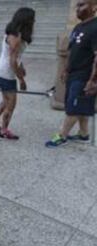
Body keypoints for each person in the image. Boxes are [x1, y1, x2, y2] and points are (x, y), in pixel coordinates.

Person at [46, 0, 97, 147]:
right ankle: (83, 133)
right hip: (73, 73)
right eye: (77, 5)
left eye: (82, 5)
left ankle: (62, 135)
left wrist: (93, 80)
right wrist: (66, 70)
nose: (77, 8)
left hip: (84, 75)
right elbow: (71, 51)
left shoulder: (95, 27)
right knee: (80, 104)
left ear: (94, 7)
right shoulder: (78, 27)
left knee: (73, 107)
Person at [0, 8, 34, 140]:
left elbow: (16, 58)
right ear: (26, 20)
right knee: (11, 104)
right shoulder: (16, 37)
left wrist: (22, 67)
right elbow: (12, 61)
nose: (34, 22)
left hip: (2, 71)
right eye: (32, 19)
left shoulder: (14, 33)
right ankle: (4, 130)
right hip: (6, 74)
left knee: (5, 101)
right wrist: (21, 80)